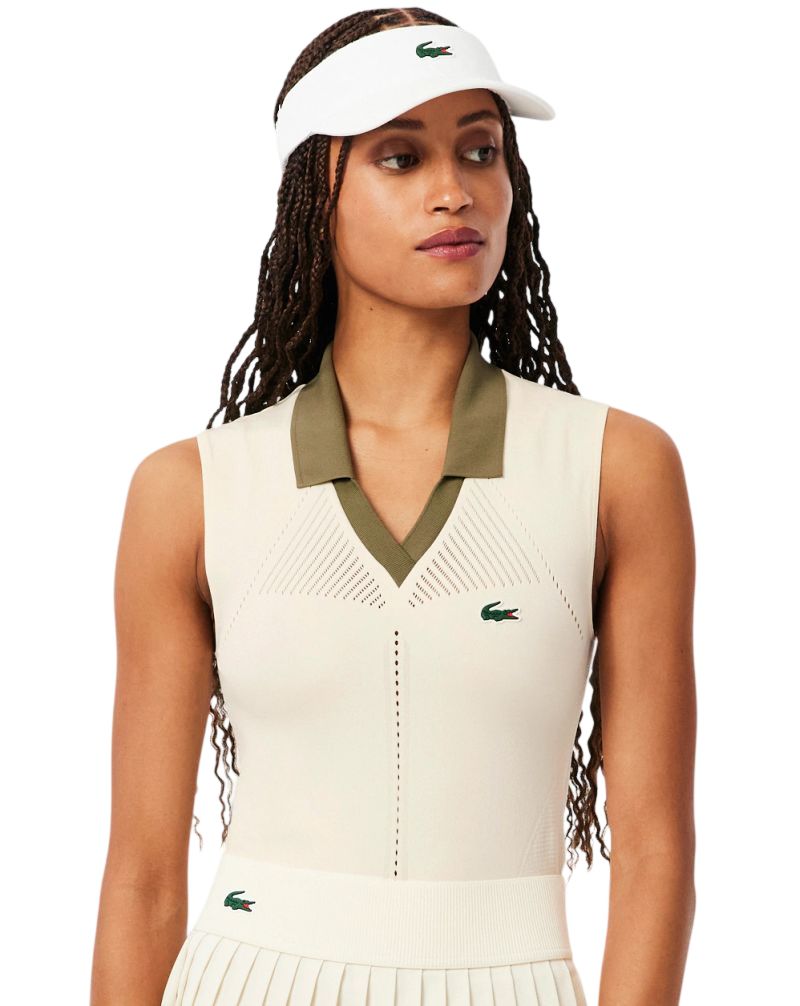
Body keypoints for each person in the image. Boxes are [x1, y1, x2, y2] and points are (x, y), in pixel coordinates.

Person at [91, 10, 697, 1006]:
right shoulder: (188, 491)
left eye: (480, 149)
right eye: (400, 157)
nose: (455, 191)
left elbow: (656, 852)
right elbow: (143, 878)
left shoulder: (617, 469)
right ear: (314, 192)